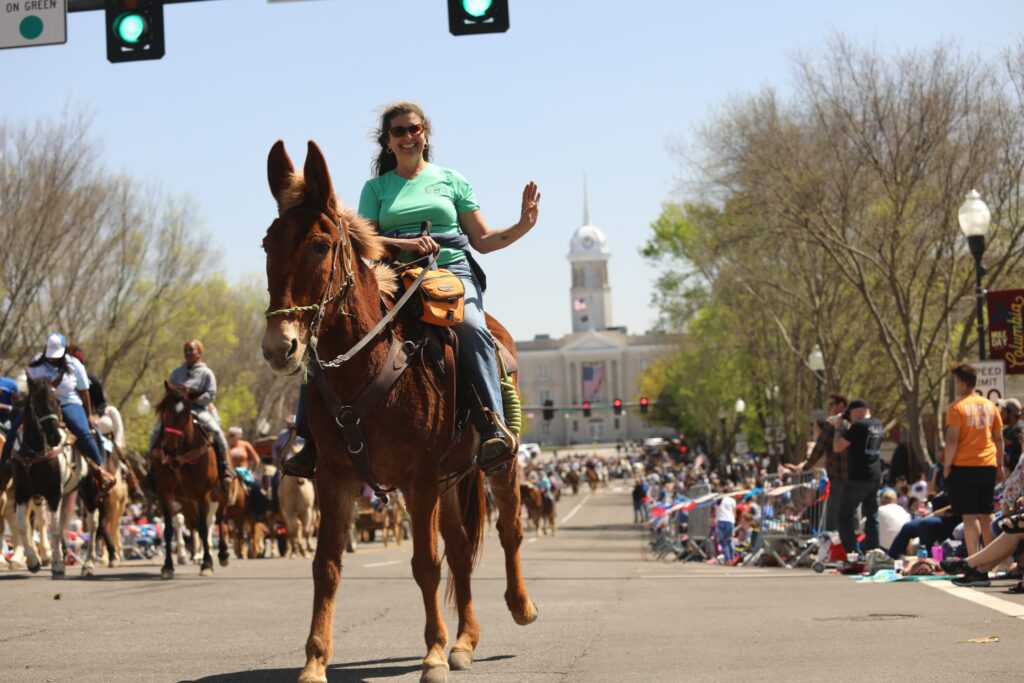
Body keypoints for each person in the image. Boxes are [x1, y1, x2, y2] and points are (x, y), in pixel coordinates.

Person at [281, 101, 541, 479]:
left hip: (449, 271)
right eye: (398, 131)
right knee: (327, 332)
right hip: (393, 272)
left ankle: (491, 425)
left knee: (471, 325)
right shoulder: (377, 188)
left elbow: (482, 240)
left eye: (413, 129)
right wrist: (404, 246)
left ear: (426, 133)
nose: (407, 136)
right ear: (387, 142)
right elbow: (364, 243)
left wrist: (522, 225)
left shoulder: (451, 180)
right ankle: (305, 437)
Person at [15, 334, 115, 489]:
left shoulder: (74, 365)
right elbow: (30, 387)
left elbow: (84, 392)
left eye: (57, 356)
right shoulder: (36, 363)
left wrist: (87, 415)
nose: (53, 359)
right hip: (41, 405)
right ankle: (5, 467)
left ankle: (100, 469)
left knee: (83, 431)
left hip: (68, 403)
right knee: (16, 427)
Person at [150, 340, 233, 491]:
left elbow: (211, 393)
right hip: (177, 411)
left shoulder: (206, 373)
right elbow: (168, 392)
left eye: (191, 350)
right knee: (156, 431)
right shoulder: (176, 373)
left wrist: (191, 399)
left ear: (199, 353)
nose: (188, 353)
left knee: (217, 432)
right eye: (186, 350)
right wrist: (176, 401)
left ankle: (225, 467)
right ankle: (151, 471)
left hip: (198, 409)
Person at [943, 362, 1004, 556]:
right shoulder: (990, 406)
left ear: (961, 383)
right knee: (987, 515)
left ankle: (975, 561)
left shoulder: (956, 407)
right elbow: (999, 439)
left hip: (963, 466)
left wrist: (946, 466)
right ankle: (994, 559)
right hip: (987, 465)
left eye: (955, 382)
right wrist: (1000, 465)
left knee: (969, 518)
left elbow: (952, 440)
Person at [833, 398, 884, 554]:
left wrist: (837, 428)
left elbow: (837, 447)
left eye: (851, 415)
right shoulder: (878, 424)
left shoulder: (859, 425)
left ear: (858, 411)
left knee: (844, 515)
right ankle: (874, 552)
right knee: (871, 516)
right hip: (874, 476)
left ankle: (853, 553)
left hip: (858, 478)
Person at [794, 393, 849, 531]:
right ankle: (849, 547)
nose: (829, 408)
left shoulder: (831, 423)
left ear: (841, 405)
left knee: (832, 514)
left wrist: (806, 468)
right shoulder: (853, 422)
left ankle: (832, 546)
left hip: (837, 474)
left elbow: (819, 449)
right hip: (853, 476)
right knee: (849, 513)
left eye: (832, 404)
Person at [999, 398, 1023, 475]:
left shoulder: (1015, 430)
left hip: (1013, 474)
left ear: (1011, 414)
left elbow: (996, 444)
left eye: (1003, 410)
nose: (1001, 413)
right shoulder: (1013, 427)